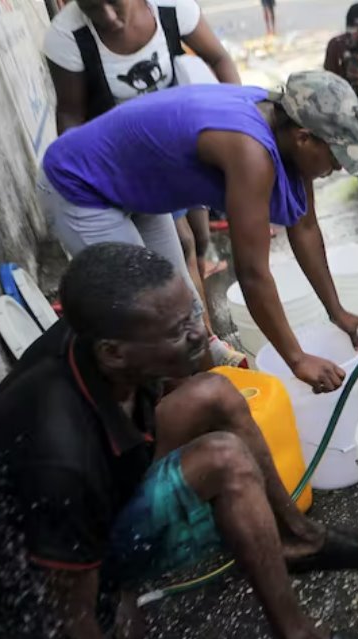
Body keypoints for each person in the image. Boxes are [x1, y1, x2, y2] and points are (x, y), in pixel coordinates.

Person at [0, 244, 358, 639]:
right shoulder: (62, 456)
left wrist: (183, 349)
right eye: (176, 330)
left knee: (216, 394)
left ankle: (297, 540)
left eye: (191, 311)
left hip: (103, 479)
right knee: (226, 461)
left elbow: (174, 373)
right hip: (47, 581)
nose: (198, 332)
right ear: (113, 353)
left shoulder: (108, 341)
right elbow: (70, 617)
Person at [38, 71, 358, 393]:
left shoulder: (286, 120)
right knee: (150, 319)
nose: (337, 168)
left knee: (181, 308)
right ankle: (163, 411)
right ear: (304, 138)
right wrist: (297, 359)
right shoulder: (250, 151)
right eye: (335, 157)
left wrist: (337, 312)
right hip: (81, 184)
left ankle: (207, 384)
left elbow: (305, 226)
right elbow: (253, 273)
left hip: (132, 182)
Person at [43, 0, 245, 368]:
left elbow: (219, 58)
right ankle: (167, 387)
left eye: (113, 3)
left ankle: (203, 351)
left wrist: (237, 112)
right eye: (91, 7)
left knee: (175, 269)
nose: (108, 17)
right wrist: (87, 171)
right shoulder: (66, 36)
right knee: (142, 293)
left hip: (152, 171)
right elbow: (70, 113)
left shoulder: (170, 8)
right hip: (97, 182)